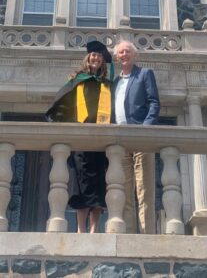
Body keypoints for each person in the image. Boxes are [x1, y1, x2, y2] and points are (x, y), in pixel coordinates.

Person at [45, 40, 113, 233]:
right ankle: (81, 228)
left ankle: (93, 228)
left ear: (102, 62)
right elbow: (62, 104)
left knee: (99, 184)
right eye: (93, 55)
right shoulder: (77, 81)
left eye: (99, 56)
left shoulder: (107, 85)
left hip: (100, 139)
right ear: (87, 58)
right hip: (80, 139)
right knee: (80, 184)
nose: (96, 58)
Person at [112, 40, 160, 234]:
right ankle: (129, 235)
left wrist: (146, 128)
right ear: (117, 57)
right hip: (121, 140)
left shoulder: (144, 74)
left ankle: (147, 234)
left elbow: (154, 102)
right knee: (123, 191)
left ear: (134, 55)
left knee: (144, 190)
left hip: (140, 136)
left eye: (128, 51)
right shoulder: (115, 81)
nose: (124, 54)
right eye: (121, 52)